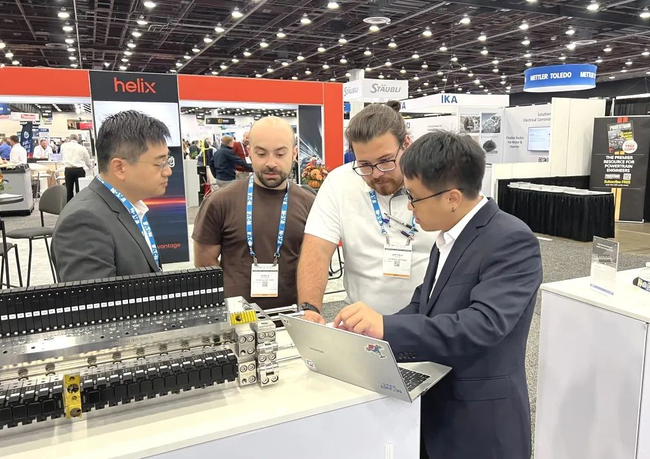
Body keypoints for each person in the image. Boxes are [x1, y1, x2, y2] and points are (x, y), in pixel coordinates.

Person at [332, 132, 543, 459]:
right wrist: (372, 333)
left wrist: (387, 327)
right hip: (436, 415)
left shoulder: (511, 240)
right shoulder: (447, 236)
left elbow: (482, 325)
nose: (409, 207)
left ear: (452, 198)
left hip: (480, 429)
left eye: (414, 197)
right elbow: (423, 305)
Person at [297, 101, 438, 320]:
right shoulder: (340, 182)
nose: (377, 174)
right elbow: (317, 250)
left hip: (428, 320)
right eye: (364, 165)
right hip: (360, 322)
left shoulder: (436, 182)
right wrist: (310, 308)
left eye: (386, 161)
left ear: (406, 144)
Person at [192, 117, 314, 309]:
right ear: (249, 152)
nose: (271, 163)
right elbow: (205, 264)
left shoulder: (309, 204)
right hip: (237, 316)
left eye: (280, 154)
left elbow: (314, 264)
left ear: (294, 154)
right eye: (261, 153)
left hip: (293, 314)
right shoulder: (220, 202)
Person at [52, 110, 172, 282]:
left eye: (167, 161)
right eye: (160, 163)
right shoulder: (85, 222)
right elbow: (93, 298)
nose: (168, 171)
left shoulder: (124, 206)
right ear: (119, 168)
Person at [61, 134, 94, 202]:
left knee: (69, 190)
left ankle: (69, 206)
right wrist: (91, 167)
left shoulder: (64, 146)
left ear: (69, 139)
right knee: (79, 190)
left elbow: (62, 156)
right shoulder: (82, 148)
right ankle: (79, 204)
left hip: (68, 170)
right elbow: (87, 160)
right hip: (79, 170)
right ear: (77, 139)